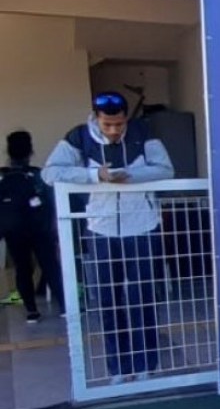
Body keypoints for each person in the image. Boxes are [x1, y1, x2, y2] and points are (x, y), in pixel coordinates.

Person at [42, 91, 175, 384]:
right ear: (96, 118)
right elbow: (50, 173)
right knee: (107, 301)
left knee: (142, 298)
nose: (114, 131)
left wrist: (129, 175)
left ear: (126, 118)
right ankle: (118, 368)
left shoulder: (143, 132)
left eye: (119, 124)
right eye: (107, 125)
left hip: (142, 226)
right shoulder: (78, 137)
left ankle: (146, 365)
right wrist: (95, 176)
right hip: (100, 228)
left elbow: (165, 169)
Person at [0, 130, 66, 322]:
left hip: (13, 230)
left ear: (8, 151)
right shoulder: (38, 175)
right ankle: (63, 306)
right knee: (50, 265)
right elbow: (52, 202)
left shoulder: (3, 177)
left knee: (22, 268)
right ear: (31, 151)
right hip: (39, 229)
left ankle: (31, 312)